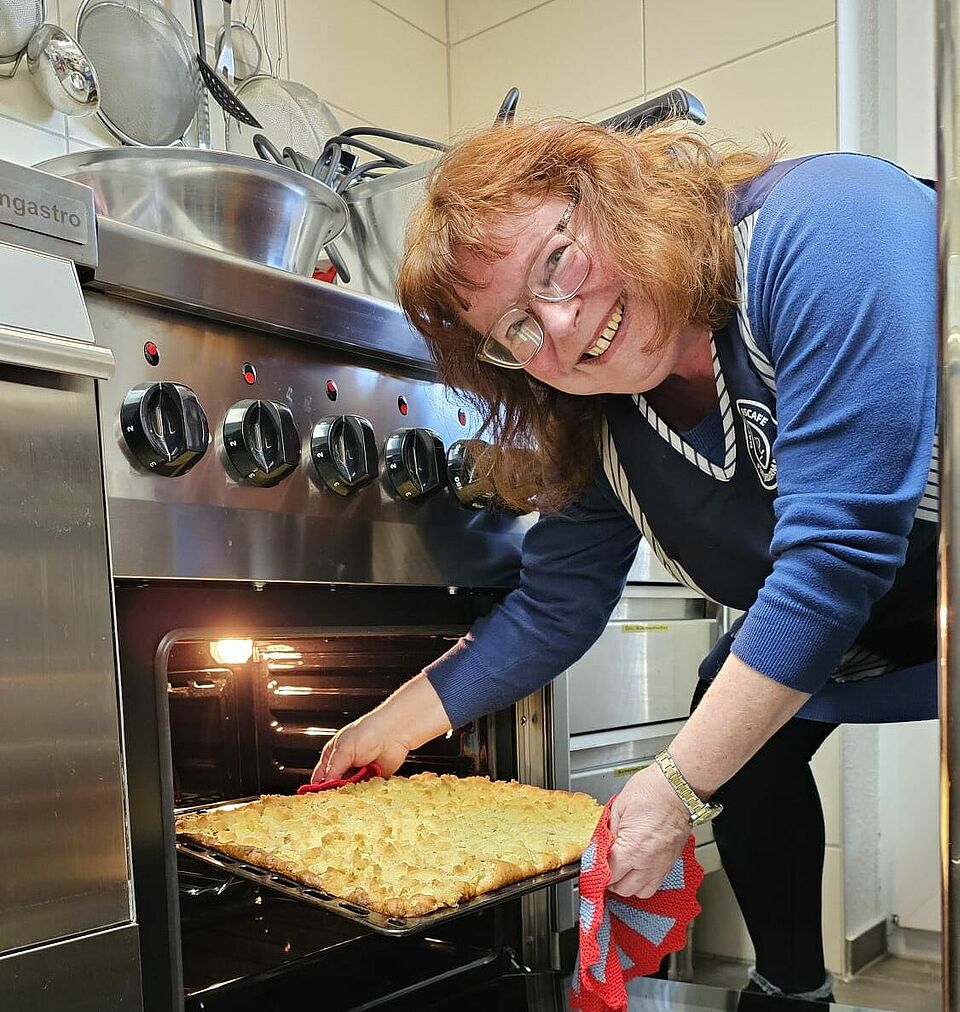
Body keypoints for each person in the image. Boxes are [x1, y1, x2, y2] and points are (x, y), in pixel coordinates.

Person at [313, 118, 938, 1003]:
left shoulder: (824, 224)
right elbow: (552, 609)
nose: (560, 329)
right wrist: (390, 725)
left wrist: (674, 789)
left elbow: (836, 555)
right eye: (515, 332)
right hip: (867, 637)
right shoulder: (604, 423)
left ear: (611, 194)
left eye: (555, 263)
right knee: (737, 732)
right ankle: (792, 991)